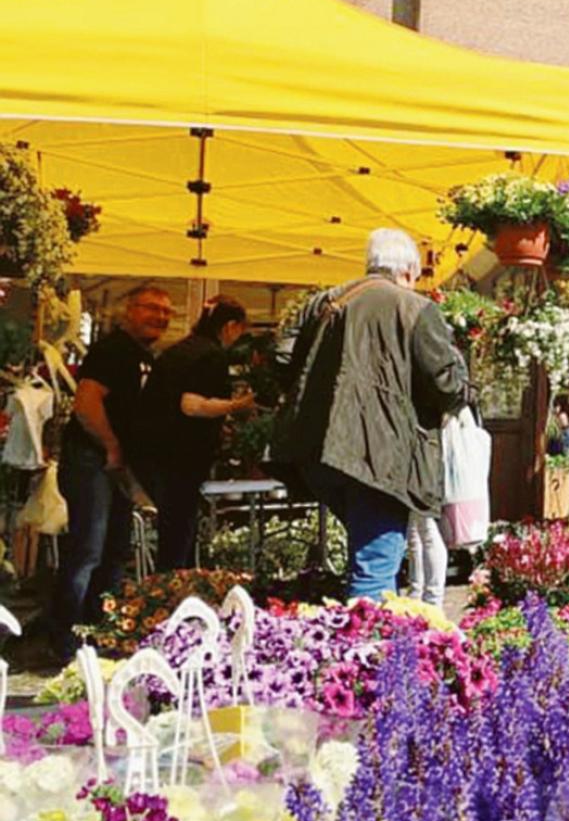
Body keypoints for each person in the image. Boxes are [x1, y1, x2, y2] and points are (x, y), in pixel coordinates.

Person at [273, 228, 467, 600]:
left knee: (370, 553)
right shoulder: (415, 308)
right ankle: (371, 652)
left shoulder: (323, 302)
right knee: (375, 566)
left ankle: (377, 642)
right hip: (379, 453)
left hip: (319, 450)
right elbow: (446, 384)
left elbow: (281, 357)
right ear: (409, 271)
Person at [46, 286, 173, 662]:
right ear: (128, 311)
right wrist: (112, 445)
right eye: (152, 308)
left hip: (113, 466)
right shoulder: (111, 350)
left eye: (166, 311)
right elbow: (86, 404)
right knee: (88, 549)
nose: (161, 317)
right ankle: (66, 638)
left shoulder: (141, 356)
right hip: (93, 461)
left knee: (114, 551)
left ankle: (100, 633)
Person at [135, 295, 255, 573]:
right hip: (178, 458)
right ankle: (175, 597)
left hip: (155, 454)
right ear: (230, 326)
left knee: (174, 533)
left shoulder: (183, 350)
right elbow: (191, 405)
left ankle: (174, 592)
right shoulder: (210, 355)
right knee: (178, 536)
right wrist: (237, 405)